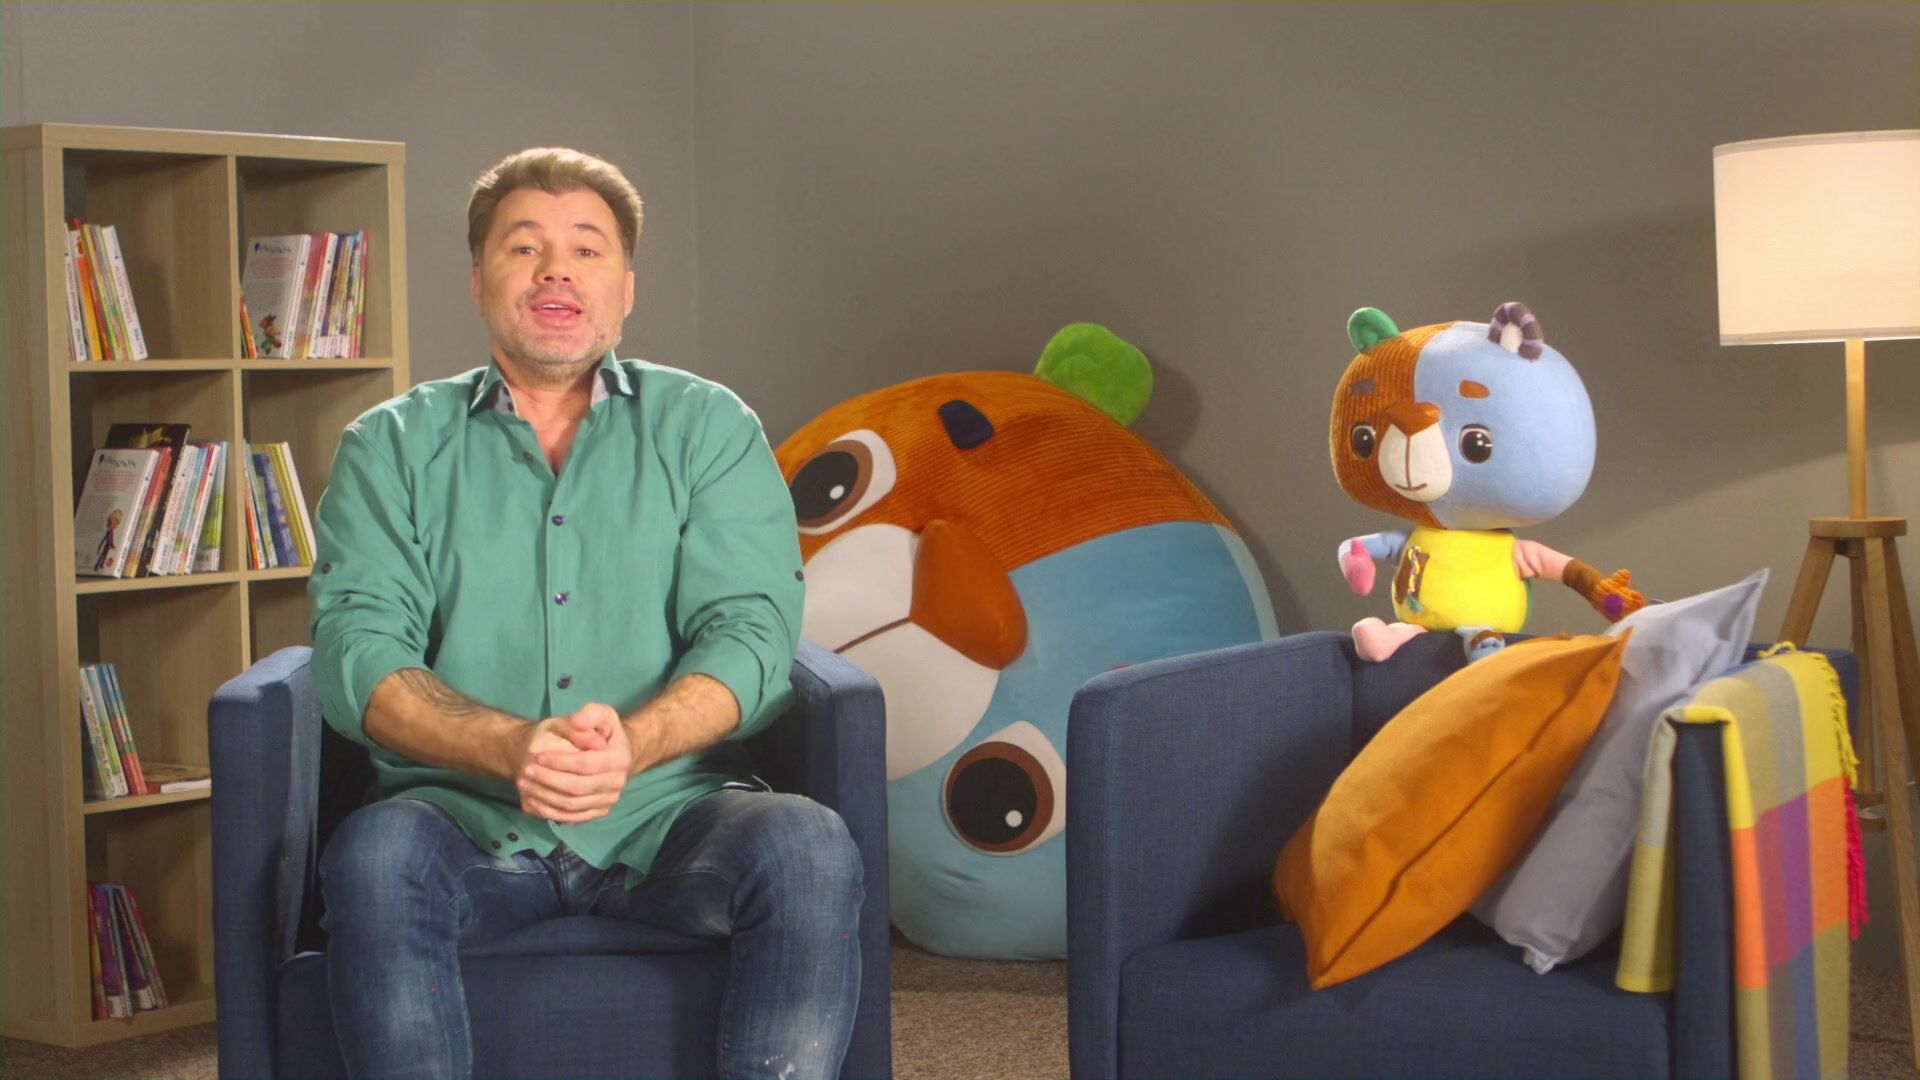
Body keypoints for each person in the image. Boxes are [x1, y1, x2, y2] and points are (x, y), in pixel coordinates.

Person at [307, 146, 861, 1080]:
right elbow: (358, 651)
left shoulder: (710, 428)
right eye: (524, 248)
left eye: (587, 249)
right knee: (374, 858)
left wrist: (632, 746)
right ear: (479, 281)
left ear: (626, 289)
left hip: (671, 818)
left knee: (807, 846)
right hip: (459, 821)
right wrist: (510, 747)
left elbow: (751, 632)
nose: (556, 270)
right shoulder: (388, 447)